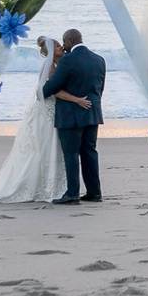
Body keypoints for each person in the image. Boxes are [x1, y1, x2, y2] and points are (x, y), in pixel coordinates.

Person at [0, 36, 92, 204]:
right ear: (50, 52)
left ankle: (58, 185)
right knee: (44, 147)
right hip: (47, 112)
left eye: (60, 45)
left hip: (54, 112)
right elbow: (49, 91)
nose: (62, 48)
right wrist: (77, 99)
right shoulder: (50, 66)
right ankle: (44, 186)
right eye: (58, 46)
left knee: (52, 147)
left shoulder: (59, 65)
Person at [42, 28, 106, 205]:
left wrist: (43, 89)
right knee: (90, 152)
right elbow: (100, 88)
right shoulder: (99, 59)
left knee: (71, 154)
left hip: (70, 115)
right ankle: (94, 192)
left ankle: (72, 194)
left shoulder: (68, 60)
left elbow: (53, 86)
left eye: (64, 43)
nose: (63, 46)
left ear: (69, 41)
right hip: (92, 112)